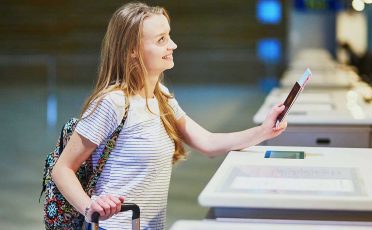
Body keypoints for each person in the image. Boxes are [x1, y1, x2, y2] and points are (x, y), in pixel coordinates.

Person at [51, 2, 287, 229]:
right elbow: (62, 169)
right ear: (132, 50)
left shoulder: (161, 96)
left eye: (169, 36)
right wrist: (90, 206)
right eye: (161, 40)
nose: (172, 45)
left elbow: (207, 143)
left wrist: (263, 130)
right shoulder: (112, 102)